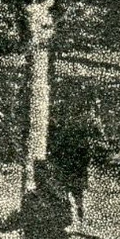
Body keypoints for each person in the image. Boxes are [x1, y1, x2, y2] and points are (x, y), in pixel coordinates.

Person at [50, 88, 104, 223]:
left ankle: (72, 214)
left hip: (71, 157)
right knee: (76, 190)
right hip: (77, 158)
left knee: (66, 188)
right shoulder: (88, 120)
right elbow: (99, 136)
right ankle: (79, 214)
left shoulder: (74, 119)